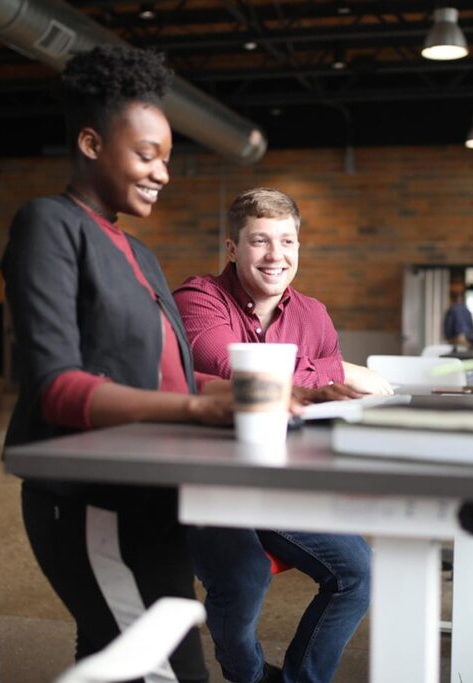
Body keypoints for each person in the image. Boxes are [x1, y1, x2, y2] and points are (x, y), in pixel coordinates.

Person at [1, 45, 236, 683]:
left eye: (166, 157)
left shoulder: (139, 251)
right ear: (90, 142)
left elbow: (171, 376)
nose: (162, 173)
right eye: (146, 154)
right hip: (90, 500)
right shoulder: (49, 225)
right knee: (171, 671)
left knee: (115, 662)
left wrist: (276, 390)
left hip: (151, 495)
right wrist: (197, 408)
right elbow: (57, 387)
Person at [173, 187, 388, 683]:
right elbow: (233, 369)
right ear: (232, 248)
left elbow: (334, 404)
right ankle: (248, 677)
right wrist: (336, 371)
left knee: (358, 572)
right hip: (211, 484)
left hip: (279, 482)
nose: (276, 256)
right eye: (260, 241)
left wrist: (334, 377)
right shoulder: (199, 297)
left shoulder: (312, 314)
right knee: (244, 578)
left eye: (287, 242)